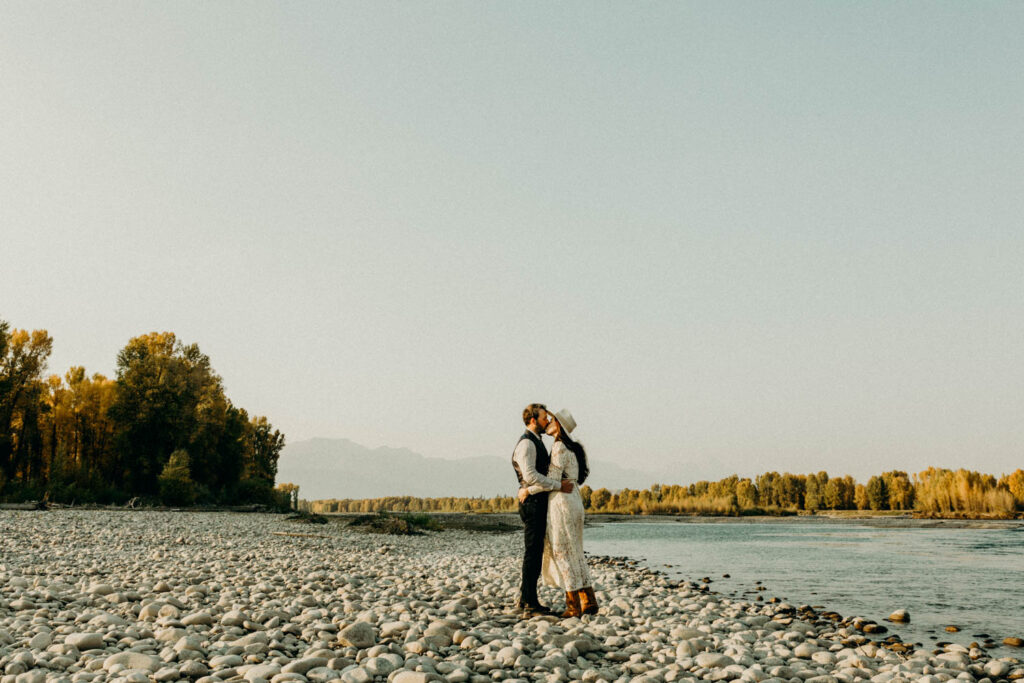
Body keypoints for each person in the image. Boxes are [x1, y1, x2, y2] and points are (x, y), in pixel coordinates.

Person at [518, 408, 598, 617]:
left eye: (553, 420)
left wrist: (528, 490)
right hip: (575, 500)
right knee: (576, 550)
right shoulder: (573, 448)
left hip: (561, 501)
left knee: (562, 551)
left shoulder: (559, 448)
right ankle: (588, 599)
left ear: (559, 426)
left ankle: (573, 605)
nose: (549, 422)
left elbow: (551, 481)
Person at [512, 403, 574, 615]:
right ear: (533, 420)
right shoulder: (527, 444)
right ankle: (529, 601)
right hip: (532, 504)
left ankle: (525, 597)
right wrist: (557, 486)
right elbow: (530, 476)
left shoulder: (535, 442)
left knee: (535, 551)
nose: (547, 421)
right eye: (544, 418)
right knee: (533, 552)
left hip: (535, 501)